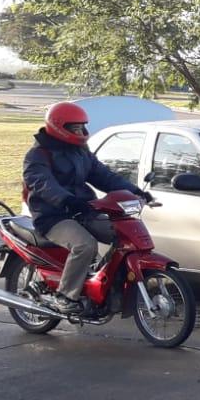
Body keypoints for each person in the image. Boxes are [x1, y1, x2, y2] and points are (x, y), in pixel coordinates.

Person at [23, 102, 152, 316]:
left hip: (83, 210)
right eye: (75, 128)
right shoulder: (38, 155)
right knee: (85, 245)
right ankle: (65, 296)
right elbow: (43, 184)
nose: (81, 132)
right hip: (52, 215)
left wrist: (136, 191)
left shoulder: (80, 151)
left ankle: (107, 286)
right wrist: (67, 200)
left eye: (83, 127)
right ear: (58, 127)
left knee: (122, 234)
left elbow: (104, 176)